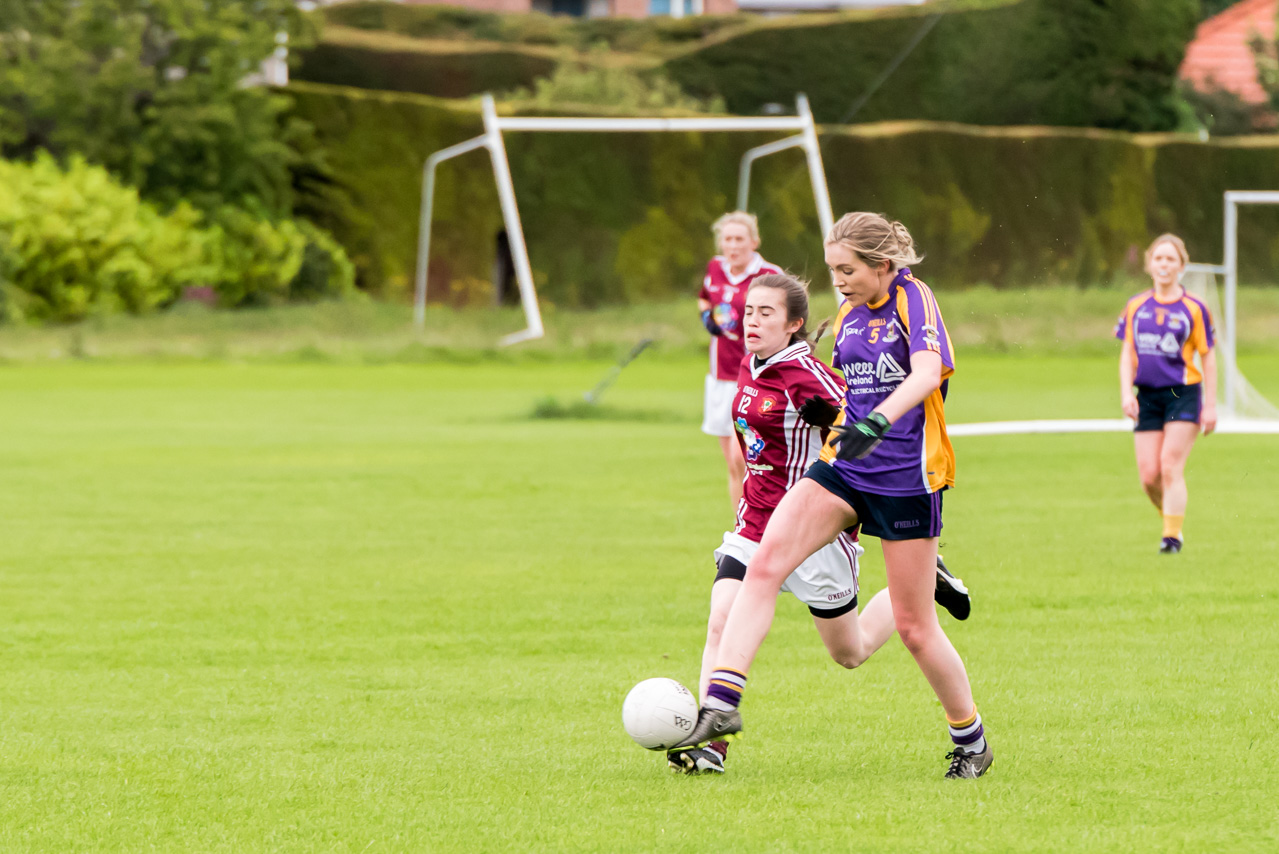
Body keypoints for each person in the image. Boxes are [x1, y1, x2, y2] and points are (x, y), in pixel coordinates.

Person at [675, 212, 993, 780]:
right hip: (843, 468)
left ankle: (970, 739)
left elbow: (926, 374)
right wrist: (852, 429)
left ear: (882, 264)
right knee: (764, 563)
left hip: (906, 475)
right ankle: (720, 708)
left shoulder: (913, 298)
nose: (839, 281)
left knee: (914, 627)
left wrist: (878, 423)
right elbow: (850, 389)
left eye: (848, 270)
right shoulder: (847, 314)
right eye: (832, 270)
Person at [1115, 234, 1217, 554]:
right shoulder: (1135, 306)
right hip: (1146, 394)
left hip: (1183, 393)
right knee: (1149, 476)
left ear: (1182, 266)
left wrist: (1210, 406)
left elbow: (1208, 356)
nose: (1164, 265)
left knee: (1170, 465)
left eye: (1171, 259)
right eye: (1158, 258)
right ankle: (1170, 521)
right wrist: (1126, 393)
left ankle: (1170, 540)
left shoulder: (1194, 308)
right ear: (1149, 265)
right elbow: (1127, 352)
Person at [699, 212, 783, 511]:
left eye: (739, 239)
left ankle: (766, 522)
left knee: (744, 457)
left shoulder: (769, 274)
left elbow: (789, 317)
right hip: (720, 377)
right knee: (733, 466)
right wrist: (706, 316)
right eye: (728, 239)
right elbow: (705, 298)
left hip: (754, 378)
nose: (733, 245)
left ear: (754, 241)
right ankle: (742, 529)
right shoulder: (715, 268)